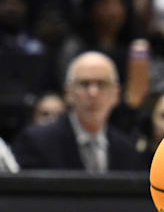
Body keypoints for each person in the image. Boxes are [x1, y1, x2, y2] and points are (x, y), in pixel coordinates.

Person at [12, 52, 141, 172]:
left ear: (116, 94)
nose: (93, 93)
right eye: (84, 84)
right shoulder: (37, 142)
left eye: (102, 84)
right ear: (68, 92)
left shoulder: (127, 149)